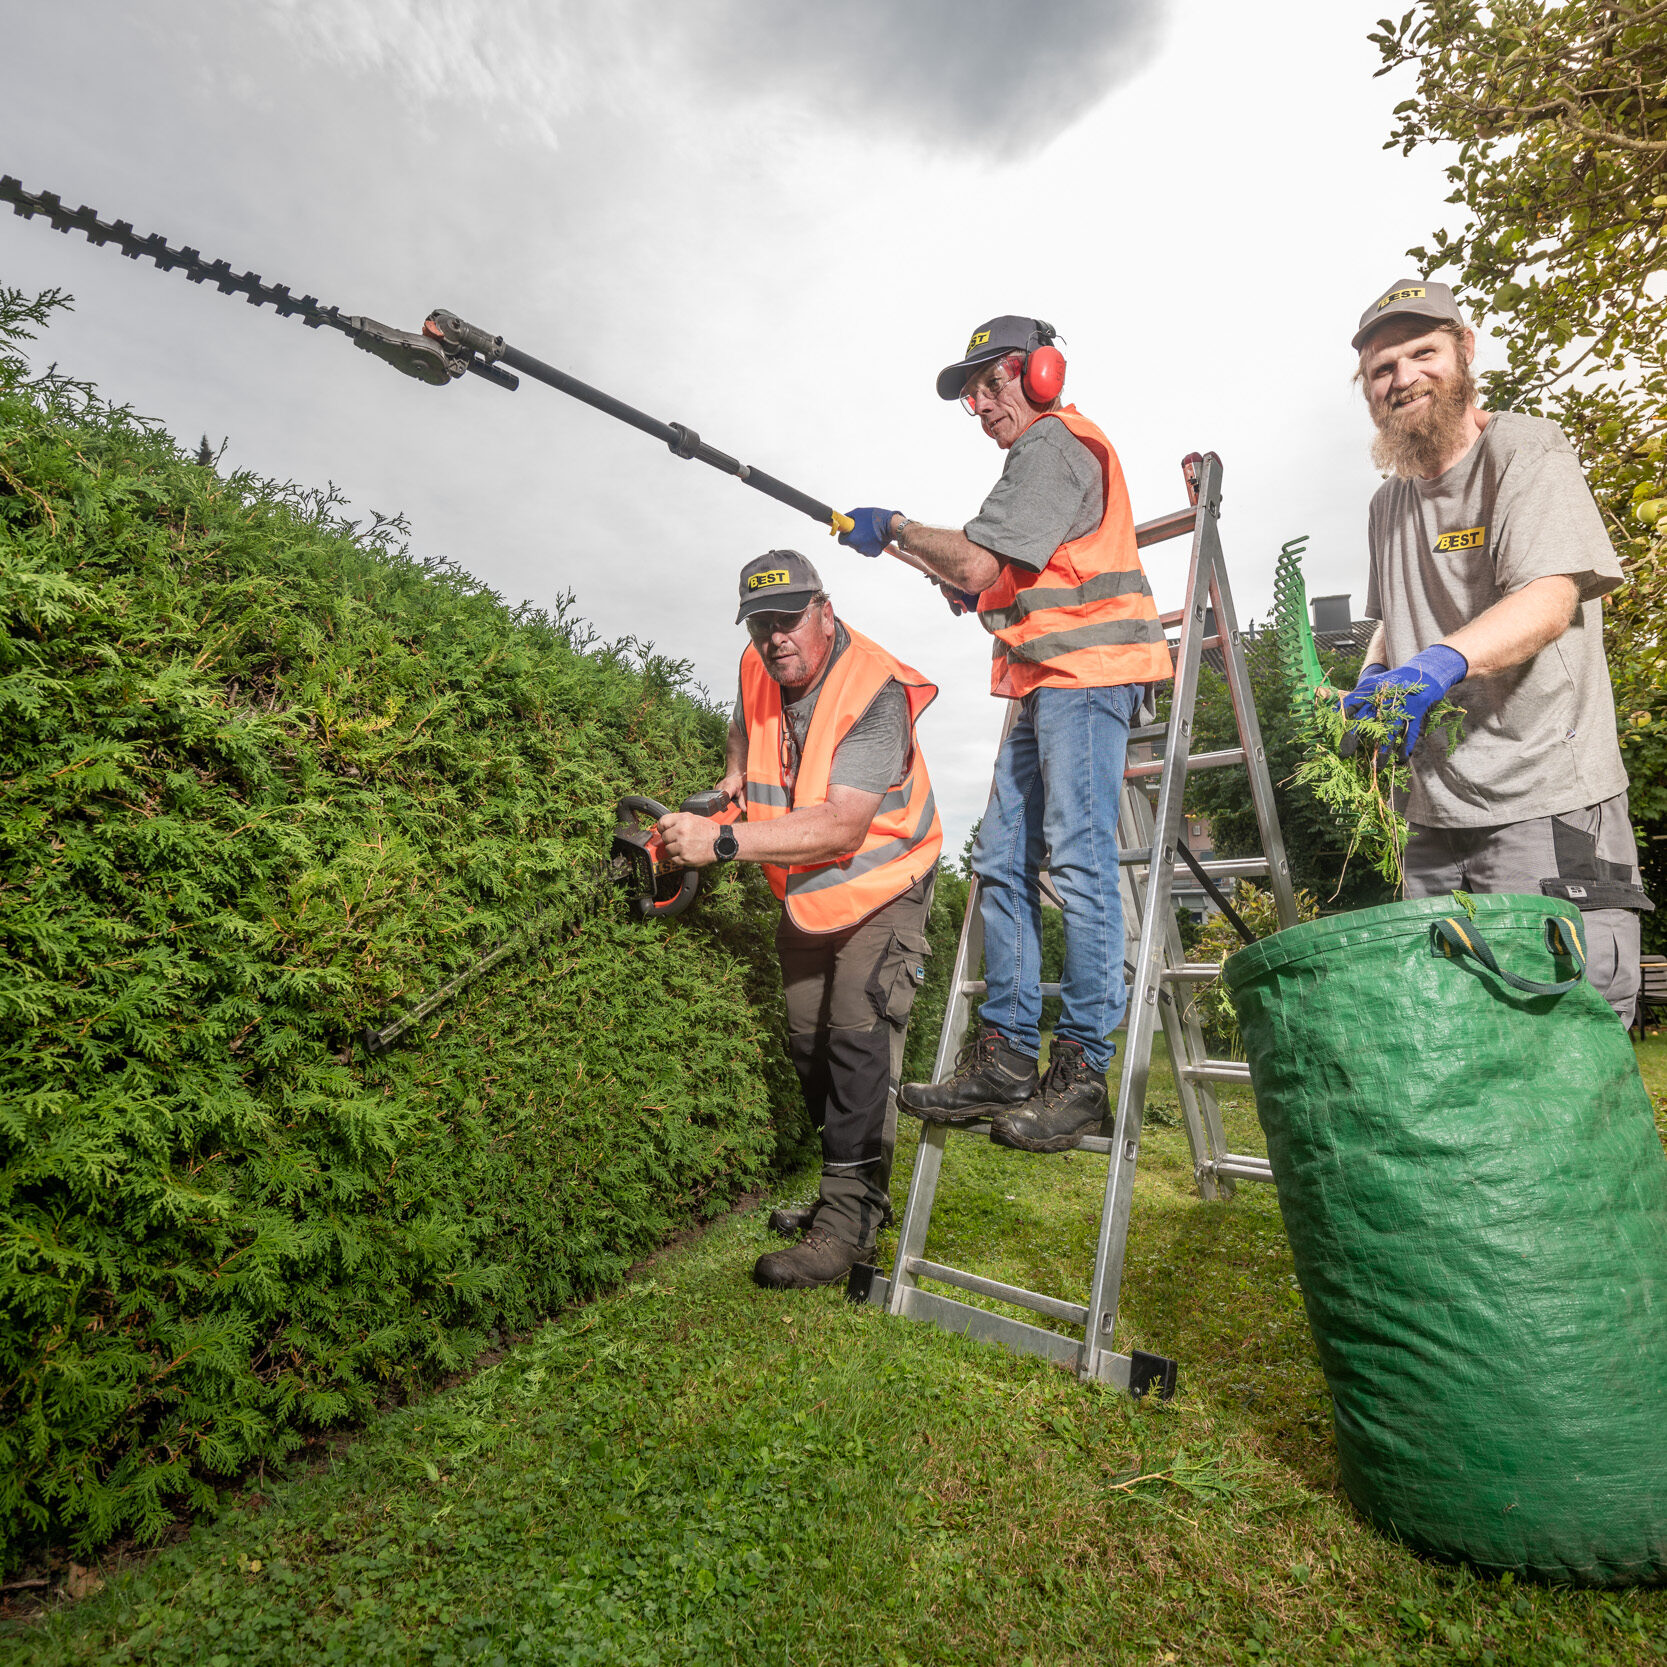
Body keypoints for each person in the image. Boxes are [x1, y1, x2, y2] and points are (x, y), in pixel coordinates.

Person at [838, 315, 1172, 1152]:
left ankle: (1082, 1069)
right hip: (1045, 685)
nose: (981, 405)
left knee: (1079, 859)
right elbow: (992, 578)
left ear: (1044, 373)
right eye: (970, 395)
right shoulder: (1032, 464)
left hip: (1089, 680)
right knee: (998, 862)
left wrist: (900, 529)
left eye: (992, 384)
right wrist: (916, 555)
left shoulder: (1053, 444)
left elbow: (981, 565)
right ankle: (1007, 1056)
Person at [1345, 276, 1651, 1021]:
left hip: (1542, 800)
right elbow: (1392, 619)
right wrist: (1375, 679)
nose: (1403, 378)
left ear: (1464, 352)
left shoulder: (1524, 450)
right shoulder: (1386, 504)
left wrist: (1439, 663)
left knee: (1562, 1027)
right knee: (1455, 1032)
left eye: (1422, 353)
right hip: (1434, 816)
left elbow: (1547, 599)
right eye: (1382, 369)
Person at [656, 551, 942, 1288]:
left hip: (884, 881)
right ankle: (848, 1196)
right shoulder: (759, 669)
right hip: (811, 893)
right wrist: (721, 795)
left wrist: (721, 842)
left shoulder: (873, 689)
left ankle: (845, 1226)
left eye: (786, 619)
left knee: (853, 1033)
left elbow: (845, 826)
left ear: (824, 609)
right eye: (759, 625)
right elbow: (742, 747)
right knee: (805, 1039)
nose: (774, 637)